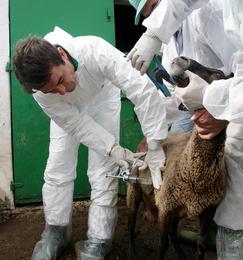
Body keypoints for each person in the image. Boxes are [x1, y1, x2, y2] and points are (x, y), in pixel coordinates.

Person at [13, 26, 180, 260]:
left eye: (61, 80)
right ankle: (55, 231)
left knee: (103, 170)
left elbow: (139, 88)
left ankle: (99, 239)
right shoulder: (43, 92)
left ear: (62, 54)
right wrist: (113, 148)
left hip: (102, 98)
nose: (62, 89)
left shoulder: (94, 49)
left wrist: (154, 144)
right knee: (58, 166)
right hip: (68, 112)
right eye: (53, 90)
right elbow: (76, 125)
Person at [129, 0, 243, 259]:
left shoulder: (208, 17)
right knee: (222, 186)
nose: (152, 13)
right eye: (146, 12)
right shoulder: (169, 43)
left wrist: (218, 105)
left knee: (239, 194)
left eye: (153, 4)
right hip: (221, 109)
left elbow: (240, 71)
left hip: (239, 115)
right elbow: (183, 95)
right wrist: (160, 111)